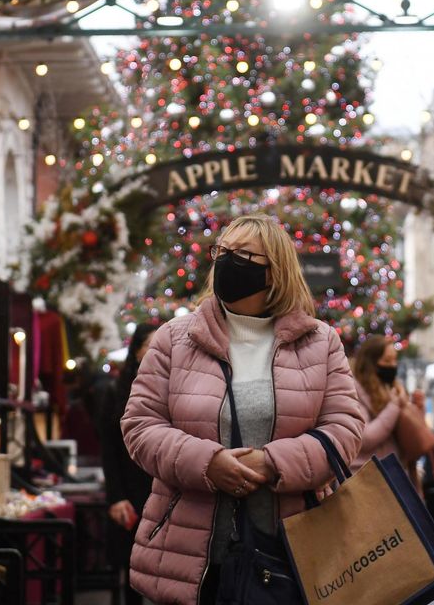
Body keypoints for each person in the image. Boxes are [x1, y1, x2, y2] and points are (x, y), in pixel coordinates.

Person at [122, 213, 365, 605]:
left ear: (275, 272)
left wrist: (273, 464)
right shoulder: (173, 339)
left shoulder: (321, 343)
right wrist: (208, 463)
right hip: (191, 557)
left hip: (290, 556)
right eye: (223, 251)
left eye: (244, 255)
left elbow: (345, 430)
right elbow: (140, 425)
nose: (226, 261)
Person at [98, 323, 157, 604]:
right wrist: (116, 497)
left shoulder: (177, 387)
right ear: (136, 352)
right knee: (132, 574)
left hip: (164, 492)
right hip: (130, 493)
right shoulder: (116, 393)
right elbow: (108, 450)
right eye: (151, 346)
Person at [349, 334, 409, 471]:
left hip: (390, 471)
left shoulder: (391, 388)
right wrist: (394, 406)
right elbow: (365, 438)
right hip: (366, 475)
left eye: (395, 360)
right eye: (387, 361)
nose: (393, 366)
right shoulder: (354, 390)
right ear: (371, 362)